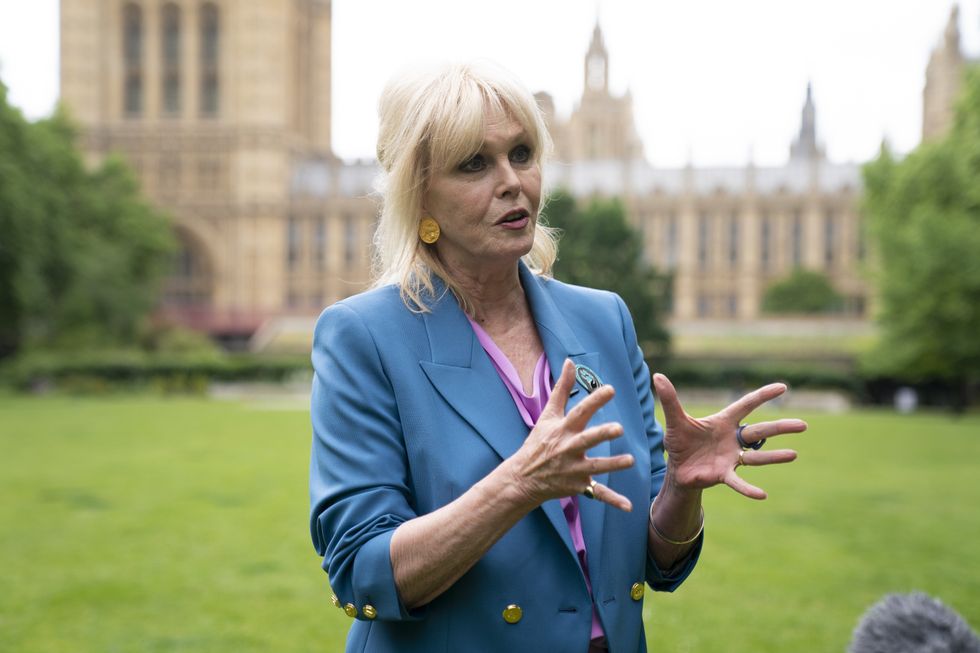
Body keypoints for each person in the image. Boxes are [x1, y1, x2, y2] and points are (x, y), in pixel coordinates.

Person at [309, 61, 808, 653]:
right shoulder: (363, 336)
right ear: (418, 194)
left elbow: (654, 561)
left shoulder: (603, 318)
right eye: (474, 163)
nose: (512, 181)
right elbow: (361, 572)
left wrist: (680, 488)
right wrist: (520, 482)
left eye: (522, 154)